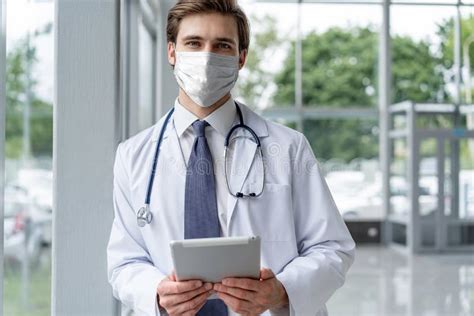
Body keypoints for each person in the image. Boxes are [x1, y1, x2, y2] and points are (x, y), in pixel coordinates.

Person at [107, 0, 355, 315]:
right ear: (172, 51)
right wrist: (156, 293)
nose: (207, 57)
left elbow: (333, 248)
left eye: (222, 45)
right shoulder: (133, 156)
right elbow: (124, 261)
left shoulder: (289, 147)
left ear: (241, 58)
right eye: (193, 43)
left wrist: (281, 291)